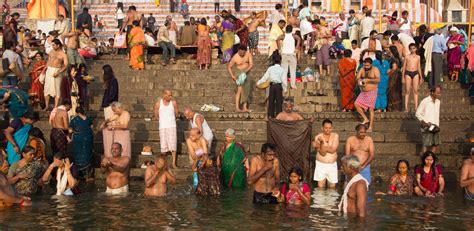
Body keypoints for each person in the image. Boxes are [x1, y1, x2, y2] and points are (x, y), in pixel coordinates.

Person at [153, 89, 179, 169]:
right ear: (164, 94)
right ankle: (163, 164)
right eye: (168, 95)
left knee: (173, 145)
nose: (170, 96)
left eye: (171, 95)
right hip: (163, 126)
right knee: (163, 146)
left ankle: (174, 163)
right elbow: (156, 114)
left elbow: (177, 113)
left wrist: (171, 119)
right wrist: (161, 120)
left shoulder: (173, 103)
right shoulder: (158, 103)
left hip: (172, 126)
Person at [256, 53, 286, 118]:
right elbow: (284, 80)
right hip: (278, 86)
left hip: (272, 86)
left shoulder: (270, 68)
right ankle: (279, 117)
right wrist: (285, 88)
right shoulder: (282, 69)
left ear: (273, 61)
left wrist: (258, 82)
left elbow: (265, 77)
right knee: (279, 102)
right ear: (280, 61)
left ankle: (270, 116)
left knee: (271, 101)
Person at [354, 58, 380, 132]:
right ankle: (365, 118)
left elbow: (378, 79)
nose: (366, 67)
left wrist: (368, 80)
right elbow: (357, 78)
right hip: (364, 91)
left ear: (371, 64)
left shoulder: (375, 69)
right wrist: (360, 81)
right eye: (365, 65)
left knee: (371, 109)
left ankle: (370, 127)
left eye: (367, 65)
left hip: (372, 91)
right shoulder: (362, 69)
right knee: (356, 104)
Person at [313, 119, 339, 188]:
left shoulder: (335, 136)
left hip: (332, 165)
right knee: (320, 186)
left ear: (332, 128)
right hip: (321, 165)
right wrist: (321, 142)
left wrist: (321, 146)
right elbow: (322, 153)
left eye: (329, 128)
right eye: (326, 128)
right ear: (322, 128)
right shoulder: (318, 137)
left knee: (332, 187)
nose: (328, 130)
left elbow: (333, 150)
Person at [43, 39, 68, 110]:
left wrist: (59, 72)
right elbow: (48, 61)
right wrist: (44, 70)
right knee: (47, 89)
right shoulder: (51, 51)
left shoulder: (63, 54)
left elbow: (66, 65)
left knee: (57, 90)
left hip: (57, 70)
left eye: (54, 45)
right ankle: (47, 106)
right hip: (49, 70)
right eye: (52, 45)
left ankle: (55, 106)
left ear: (58, 45)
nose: (52, 46)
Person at [415, 86, 441, 154]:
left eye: (439, 93)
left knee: (435, 144)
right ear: (432, 92)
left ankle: (432, 159)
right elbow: (417, 113)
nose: (439, 94)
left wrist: (437, 125)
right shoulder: (425, 101)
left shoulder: (438, 102)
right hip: (427, 125)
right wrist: (424, 122)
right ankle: (423, 159)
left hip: (435, 126)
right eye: (437, 92)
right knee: (425, 144)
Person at [69, 107, 93, 180]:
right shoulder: (88, 119)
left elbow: (70, 131)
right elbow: (91, 128)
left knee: (78, 154)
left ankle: (77, 175)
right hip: (88, 139)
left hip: (78, 139)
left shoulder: (73, 120)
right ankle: (87, 175)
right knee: (87, 153)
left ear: (76, 112)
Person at [227, 45, 253, 112]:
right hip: (238, 73)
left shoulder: (248, 54)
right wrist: (232, 75)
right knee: (239, 90)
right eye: (240, 52)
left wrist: (245, 72)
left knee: (246, 90)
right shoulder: (235, 56)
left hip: (246, 72)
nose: (242, 54)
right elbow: (229, 66)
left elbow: (251, 65)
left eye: (243, 53)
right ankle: (237, 108)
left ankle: (245, 107)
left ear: (245, 51)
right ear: (238, 51)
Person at [277, 25, 301, 89]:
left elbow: (277, 39)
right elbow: (299, 39)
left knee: (284, 71)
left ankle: (284, 86)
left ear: (285, 30)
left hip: (284, 54)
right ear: (291, 30)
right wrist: (296, 48)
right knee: (292, 71)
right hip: (292, 55)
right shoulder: (293, 35)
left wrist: (279, 49)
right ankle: (293, 85)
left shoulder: (283, 36)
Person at [402, 43, 423, 112]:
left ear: (416, 48)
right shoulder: (407, 57)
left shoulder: (418, 57)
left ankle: (416, 107)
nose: (412, 50)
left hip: (415, 73)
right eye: (411, 48)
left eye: (413, 48)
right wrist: (403, 76)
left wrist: (421, 76)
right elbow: (404, 67)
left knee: (415, 90)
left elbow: (419, 67)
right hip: (408, 73)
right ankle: (406, 107)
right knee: (407, 90)